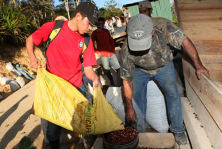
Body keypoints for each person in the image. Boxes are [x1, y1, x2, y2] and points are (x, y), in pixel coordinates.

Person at [120, 13, 210, 145]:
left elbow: (185, 42)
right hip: (140, 69)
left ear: (152, 31)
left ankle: (178, 130)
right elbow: (127, 81)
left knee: (173, 95)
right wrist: (129, 108)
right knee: (137, 99)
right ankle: (138, 132)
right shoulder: (126, 49)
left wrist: (199, 65)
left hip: (164, 66)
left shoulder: (164, 26)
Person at [26, 2, 102, 149]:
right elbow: (31, 39)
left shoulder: (86, 39)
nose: (90, 28)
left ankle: (88, 144)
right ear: (78, 16)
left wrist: (95, 78)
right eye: (89, 23)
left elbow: (88, 70)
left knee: (86, 119)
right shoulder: (54, 27)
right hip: (55, 87)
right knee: (54, 125)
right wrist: (31, 57)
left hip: (76, 86)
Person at [91, 17, 120, 86]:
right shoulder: (95, 33)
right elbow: (91, 43)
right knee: (106, 69)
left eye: (102, 23)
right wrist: (97, 52)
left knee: (118, 67)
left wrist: (113, 49)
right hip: (103, 54)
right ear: (97, 24)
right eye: (100, 23)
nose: (101, 25)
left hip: (111, 52)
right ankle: (112, 81)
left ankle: (121, 81)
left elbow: (111, 40)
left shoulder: (106, 31)